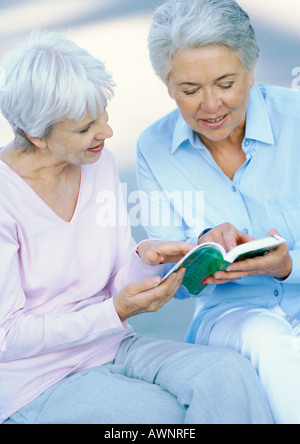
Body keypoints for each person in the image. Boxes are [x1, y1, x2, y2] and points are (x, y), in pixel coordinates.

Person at [0, 30, 273, 425]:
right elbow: (7, 337)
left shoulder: (97, 163)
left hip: (112, 345)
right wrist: (114, 311)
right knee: (166, 418)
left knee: (229, 375)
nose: (106, 134)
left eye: (103, 116)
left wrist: (148, 259)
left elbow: (115, 280)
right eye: (84, 129)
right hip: (34, 381)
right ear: (36, 135)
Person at [136, 0, 300, 424]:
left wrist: (287, 267)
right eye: (189, 90)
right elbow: (174, 283)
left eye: (226, 83)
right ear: (167, 84)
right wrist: (193, 252)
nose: (210, 105)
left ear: (251, 69)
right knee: (264, 337)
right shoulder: (153, 148)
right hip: (232, 317)